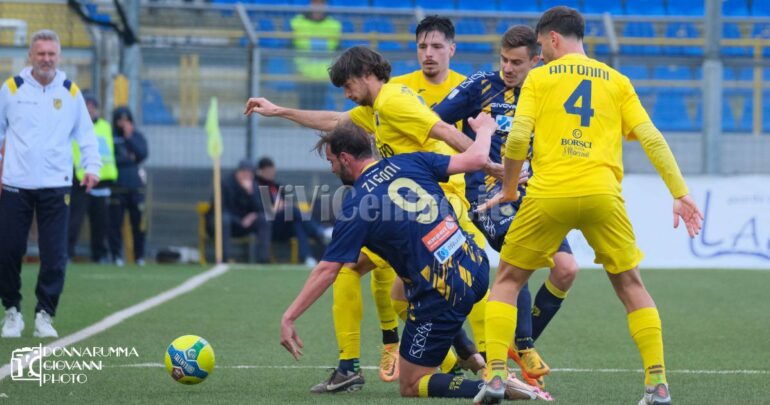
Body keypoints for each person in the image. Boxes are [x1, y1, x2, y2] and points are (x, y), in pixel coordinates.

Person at [474, 7, 703, 405]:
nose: (540, 55)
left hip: (548, 195)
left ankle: (495, 377)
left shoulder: (540, 77)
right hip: (602, 195)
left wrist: (510, 189)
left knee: (508, 281)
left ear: (553, 39)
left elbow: (516, 140)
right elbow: (651, 137)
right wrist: (680, 192)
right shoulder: (617, 80)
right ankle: (658, 384)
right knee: (632, 286)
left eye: (541, 48)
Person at [245, 45, 500, 389]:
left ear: (367, 75)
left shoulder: (393, 100)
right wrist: (279, 111)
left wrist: (492, 167)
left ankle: (356, 364)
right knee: (401, 296)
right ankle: (464, 354)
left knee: (350, 268)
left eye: (348, 85)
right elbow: (336, 122)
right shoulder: (376, 108)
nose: (347, 94)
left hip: (434, 198)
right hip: (410, 194)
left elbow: (442, 130)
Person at [280, 115, 536, 401]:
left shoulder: (356, 206)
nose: (331, 169)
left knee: (412, 384)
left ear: (345, 158)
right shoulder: (409, 161)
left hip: (444, 291)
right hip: (474, 266)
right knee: (399, 293)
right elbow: (477, 158)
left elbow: (328, 270)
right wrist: (486, 129)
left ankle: (491, 387)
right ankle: (467, 355)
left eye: (331, 162)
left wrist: (289, 317)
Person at [433, 25, 580, 390]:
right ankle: (524, 346)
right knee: (521, 251)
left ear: (537, 60)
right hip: (487, 198)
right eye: (504, 60)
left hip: (534, 194)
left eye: (517, 62)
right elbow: (432, 119)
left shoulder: (546, 86)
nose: (508, 68)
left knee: (566, 270)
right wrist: (474, 151)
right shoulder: (480, 85)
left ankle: (517, 343)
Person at [0, 29, 101, 338]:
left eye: (51, 54)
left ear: (59, 57)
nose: (46, 59)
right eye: (40, 53)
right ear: (31, 56)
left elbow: (86, 134)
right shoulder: (11, 89)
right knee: (8, 250)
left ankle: (45, 314)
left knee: (55, 254)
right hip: (15, 184)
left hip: (57, 184)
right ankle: (12, 312)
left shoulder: (70, 93)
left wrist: (91, 166)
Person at [67, 92, 118, 263]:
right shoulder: (73, 126)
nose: (90, 110)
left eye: (92, 107)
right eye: (86, 106)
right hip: (81, 179)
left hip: (101, 180)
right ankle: (67, 253)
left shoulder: (105, 126)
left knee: (101, 223)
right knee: (74, 221)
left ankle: (100, 255)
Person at [255, 156, 327, 266]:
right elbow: (265, 210)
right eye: (268, 171)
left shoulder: (276, 186)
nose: (271, 174)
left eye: (272, 171)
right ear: (261, 171)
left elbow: (287, 202)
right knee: (292, 211)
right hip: (271, 227)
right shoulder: (257, 187)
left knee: (297, 223)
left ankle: (307, 257)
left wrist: (280, 206)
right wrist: (277, 207)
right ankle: (319, 231)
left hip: (285, 224)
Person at [206, 159, 270, 263]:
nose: (247, 177)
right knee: (224, 219)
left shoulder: (255, 186)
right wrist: (239, 221)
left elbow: (261, 209)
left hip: (245, 225)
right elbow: (221, 208)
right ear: (238, 172)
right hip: (225, 223)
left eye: (250, 174)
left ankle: (263, 259)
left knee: (263, 219)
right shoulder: (225, 184)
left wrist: (251, 194)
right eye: (244, 173)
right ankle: (224, 258)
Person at [108, 106, 148, 266]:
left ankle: (139, 257)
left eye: (127, 121)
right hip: (117, 188)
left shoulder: (137, 136)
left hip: (136, 188)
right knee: (115, 225)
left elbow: (143, 154)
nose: (123, 124)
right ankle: (117, 256)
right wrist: (129, 159)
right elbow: (111, 159)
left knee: (139, 225)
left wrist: (129, 138)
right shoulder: (111, 137)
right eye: (120, 121)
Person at [290, 0, 341, 110]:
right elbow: (293, 45)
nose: (318, 7)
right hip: (303, 73)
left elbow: (335, 47)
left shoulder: (334, 25)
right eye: (315, 3)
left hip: (323, 75)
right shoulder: (297, 22)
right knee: (303, 109)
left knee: (318, 109)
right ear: (310, 4)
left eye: (321, 4)